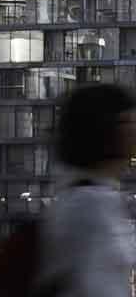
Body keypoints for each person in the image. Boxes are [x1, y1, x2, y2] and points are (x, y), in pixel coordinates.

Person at [38, 83, 136, 295]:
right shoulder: (90, 206)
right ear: (105, 132)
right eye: (127, 123)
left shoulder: (92, 198)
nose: (133, 134)